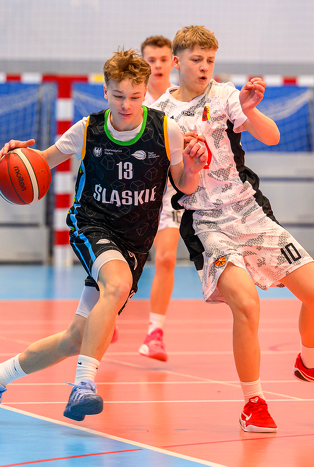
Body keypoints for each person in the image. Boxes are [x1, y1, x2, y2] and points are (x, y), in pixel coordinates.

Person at [0, 48, 208, 424]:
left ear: (145, 91)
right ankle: (83, 384)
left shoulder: (166, 130)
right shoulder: (88, 129)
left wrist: (191, 170)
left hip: (135, 242)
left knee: (75, 339)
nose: (126, 104)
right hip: (92, 225)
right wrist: (18, 156)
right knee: (116, 285)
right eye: (118, 95)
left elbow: (183, 185)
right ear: (105, 91)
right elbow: (42, 161)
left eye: (134, 96)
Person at [152, 25, 314, 433]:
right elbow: (181, 185)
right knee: (247, 305)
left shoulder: (227, 95)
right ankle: (254, 402)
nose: (205, 67)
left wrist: (251, 109)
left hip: (249, 212)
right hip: (206, 222)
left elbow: (272, 135)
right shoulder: (161, 115)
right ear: (177, 61)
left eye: (210, 60)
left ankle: (311, 363)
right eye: (196, 60)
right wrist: (191, 165)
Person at [137, 35, 177, 361]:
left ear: (173, 61)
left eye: (163, 59)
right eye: (151, 59)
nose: (158, 65)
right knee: (127, 262)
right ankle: (108, 313)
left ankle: (155, 333)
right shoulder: (133, 99)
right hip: (136, 192)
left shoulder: (181, 98)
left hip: (171, 194)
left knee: (165, 259)